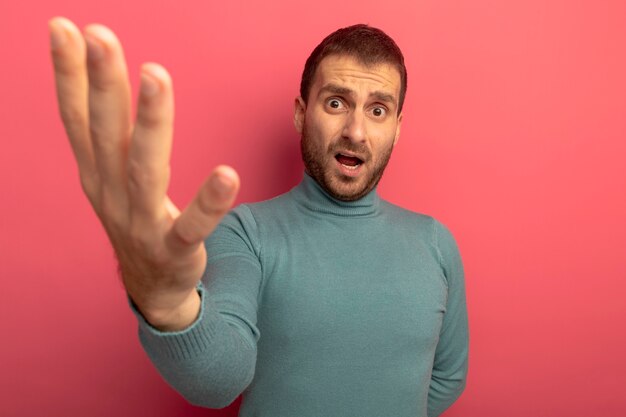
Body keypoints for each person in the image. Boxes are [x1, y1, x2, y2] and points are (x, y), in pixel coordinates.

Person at [49, 17, 469, 417]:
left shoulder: (435, 243)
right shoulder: (245, 233)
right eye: (336, 102)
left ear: (397, 127)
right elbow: (220, 381)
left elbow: (448, 376)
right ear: (302, 114)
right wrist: (167, 305)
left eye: (378, 110)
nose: (355, 131)